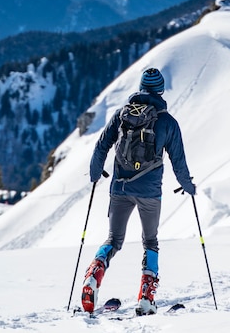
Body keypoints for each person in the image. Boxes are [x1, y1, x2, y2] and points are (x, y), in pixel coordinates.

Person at [82, 67, 196, 315]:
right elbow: (179, 162)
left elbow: (102, 145)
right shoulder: (167, 122)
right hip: (150, 192)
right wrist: (188, 186)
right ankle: (146, 294)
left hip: (119, 188)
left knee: (113, 240)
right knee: (151, 242)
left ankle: (95, 272)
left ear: (141, 88)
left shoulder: (121, 115)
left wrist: (94, 173)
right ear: (161, 90)